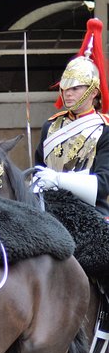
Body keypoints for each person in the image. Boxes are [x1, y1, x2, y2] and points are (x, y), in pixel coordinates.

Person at [33, 18, 109, 219]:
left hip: (90, 212)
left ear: (93, 92)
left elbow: (102, 186)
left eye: (75, 88)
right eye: (65, 88)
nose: (68, 94)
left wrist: (58, 179)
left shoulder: (105, 129)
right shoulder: (50, 126)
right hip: (49, 210)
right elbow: (38, 171)